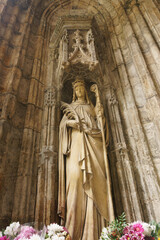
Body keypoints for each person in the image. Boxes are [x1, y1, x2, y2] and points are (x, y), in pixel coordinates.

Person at [58, 76, 114, 240]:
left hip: (94, 145)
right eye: (77, 89)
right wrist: (70, 124)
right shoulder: (71, 107)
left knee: (98, 184)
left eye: (81, 88)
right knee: (75, 179)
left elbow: (101, 125)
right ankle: (72, 233)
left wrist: (100, 112)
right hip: (76, 145)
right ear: (74, 92)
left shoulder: (91, 107)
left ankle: (99, 232)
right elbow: (62, 126)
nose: (80, 90)